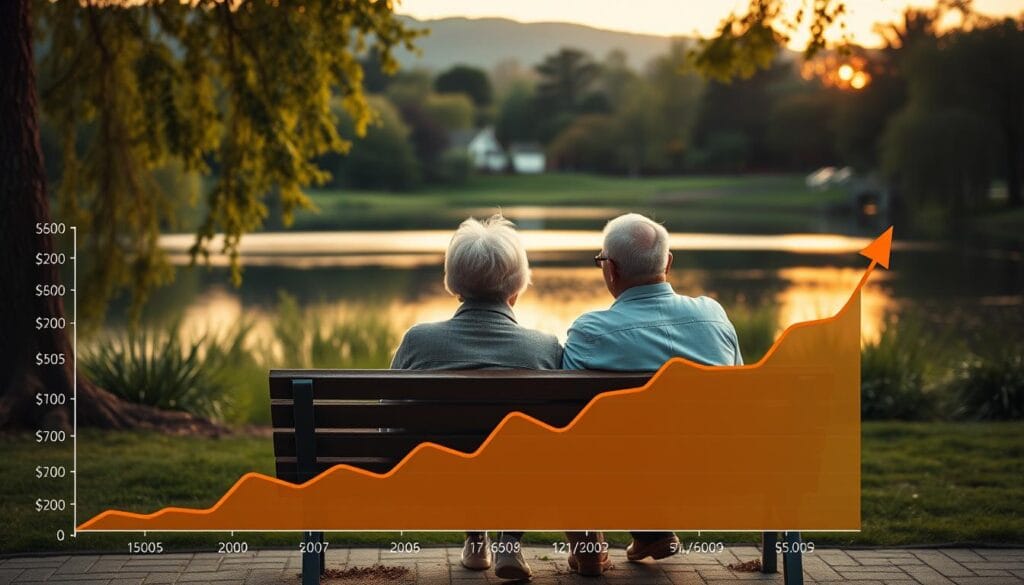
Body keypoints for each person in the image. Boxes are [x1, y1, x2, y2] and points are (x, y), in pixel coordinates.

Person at [562, 213, 743, 573]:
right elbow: (739, 391)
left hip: (617, 474)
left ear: (611, 269)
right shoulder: (714, 316)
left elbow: (566, 418)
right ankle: (650, 532)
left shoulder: (590, 332)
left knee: (577, 442)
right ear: (668, 263)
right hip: (714, 469)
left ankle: (589, 547)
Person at [391, 214, 560, 581]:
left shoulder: (417, 341)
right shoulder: (545, 348)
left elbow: (390, 417)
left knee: (462, 451)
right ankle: (508, 543)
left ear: (454, 285)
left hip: (435, 475)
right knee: (526, 453)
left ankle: (475, 539)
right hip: (520, 476)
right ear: (517, 287)